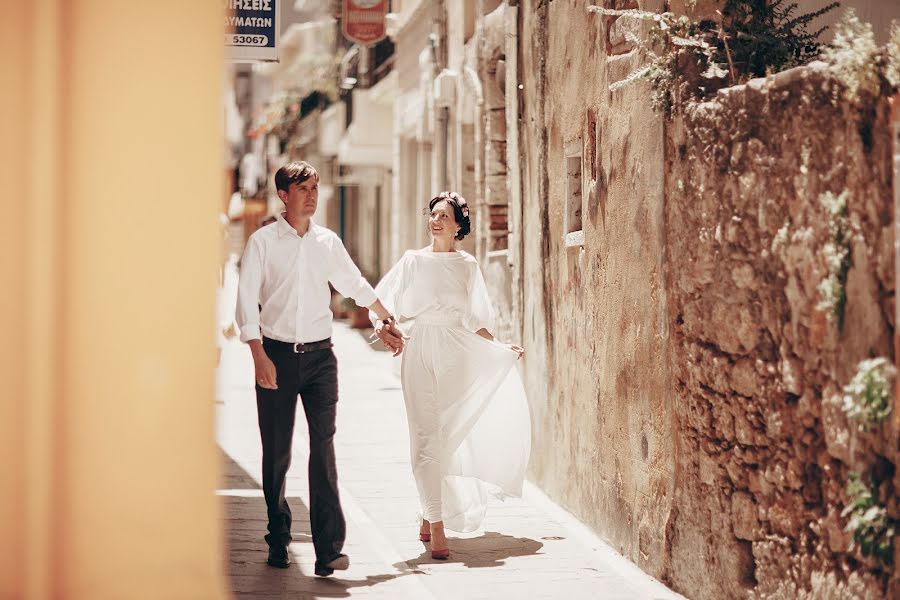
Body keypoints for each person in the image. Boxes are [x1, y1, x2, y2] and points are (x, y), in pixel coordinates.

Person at [236, 161, 403, 576]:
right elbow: (244, 303)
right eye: (303, 188)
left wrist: (385, 317)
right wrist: (258, 354)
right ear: (283, 195)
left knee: (323, 449)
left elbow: (354, 284)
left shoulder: (326, 242)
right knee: (276, 454)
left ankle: (328, 549)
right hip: (275, 354)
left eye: (315, 187)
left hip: (320, 358)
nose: (312, 194)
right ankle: (278, 535)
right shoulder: (262, 243)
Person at [371, 191, 531, 559]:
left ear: (459, 225)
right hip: (420, 345)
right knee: (424, 435)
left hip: (456, 350)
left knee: (446, 436)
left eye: (444, 215)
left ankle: (429, 513)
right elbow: (383, 300)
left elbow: (476, 320)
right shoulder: (412, 261)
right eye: (432, 214)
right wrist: (383, 324)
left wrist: (500, 347)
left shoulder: (467, 265)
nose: (436, 220)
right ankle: (439, 526)